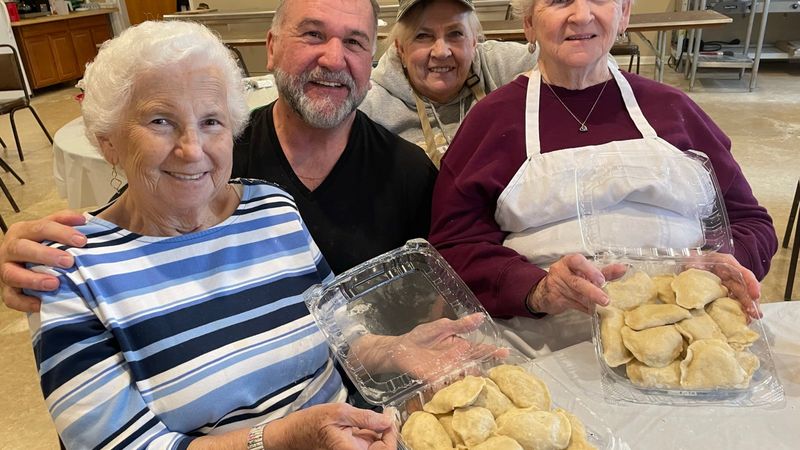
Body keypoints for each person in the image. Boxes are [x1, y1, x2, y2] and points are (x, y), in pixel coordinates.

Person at [25, 19, 491, 450]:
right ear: (108, 139)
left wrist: (392, 347)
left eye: (211, 121)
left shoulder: (270, 206)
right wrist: (280, 439)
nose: (192, 150)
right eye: (160, 121)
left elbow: (338, 332)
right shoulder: (69, 268)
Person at [0, 0, 437, 312]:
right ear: (271, 47)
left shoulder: (409, 173)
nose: (334, 57)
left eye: (356, 42)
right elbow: (131, 236)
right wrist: (46, 255)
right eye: (313, 34)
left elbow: (430, 299)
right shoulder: (209, 159)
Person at [427, 0, 777, 348]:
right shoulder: (491, 123)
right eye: (559, 1)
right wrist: (536, 289)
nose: (581, 15)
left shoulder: (674, 109)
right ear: (529, 24)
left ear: (623, 14)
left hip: (688, 339)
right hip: (546, 355)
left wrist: (729, 263)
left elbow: (750, 221)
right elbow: (455, 248)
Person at [359, 0, 535, 166]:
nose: (441, 52)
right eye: (422, 36)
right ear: (401, 49)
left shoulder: (501, 66)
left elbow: (558, 58)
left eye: (456, 34)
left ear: (474, 42)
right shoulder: (368, 109)